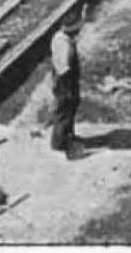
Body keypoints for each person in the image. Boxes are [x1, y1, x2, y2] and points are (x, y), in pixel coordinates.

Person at [50, 12, 83, 156]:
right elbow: (64, 68)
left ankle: (67, 135)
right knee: (65, 110)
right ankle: (60, 142)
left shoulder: (59, 37)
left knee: (70, 108)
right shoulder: (64, 44)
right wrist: (68, 88)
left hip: (63, 79)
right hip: (65, 81)